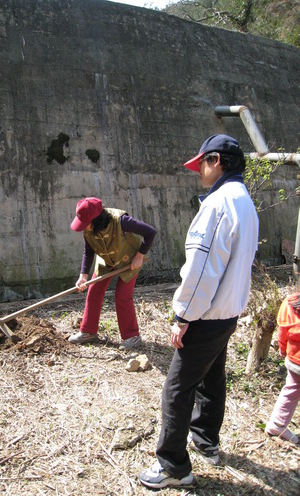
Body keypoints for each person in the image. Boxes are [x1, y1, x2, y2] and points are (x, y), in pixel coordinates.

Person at [138, 134, 259, 489]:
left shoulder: (218, 204)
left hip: (206, 313)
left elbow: (202, 268)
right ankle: (206, 441)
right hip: (229, 309)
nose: (199, 172)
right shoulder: (244, 201)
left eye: (202, 164)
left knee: (177, 387)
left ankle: (174, 467)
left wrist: (183, 316)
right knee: (212, 376)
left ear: (216, 161)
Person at [68, 197, 156, 350]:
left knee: (122, 296)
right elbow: (88, 252)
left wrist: (140, 255)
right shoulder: (88, 230)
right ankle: (88, 332)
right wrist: (83, 275)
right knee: (94, 291)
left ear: (96, 219)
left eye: (85, 224)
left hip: (129, 260)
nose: (83, 227)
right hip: (106, 261)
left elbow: (150, 232)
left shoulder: (121, 221)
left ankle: (132, 336)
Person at [265, 293, 300, 444]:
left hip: (294, 358)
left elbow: (283, 331)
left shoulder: (290, 302)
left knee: (291, 390)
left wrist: (283, 348)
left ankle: (277, 424)